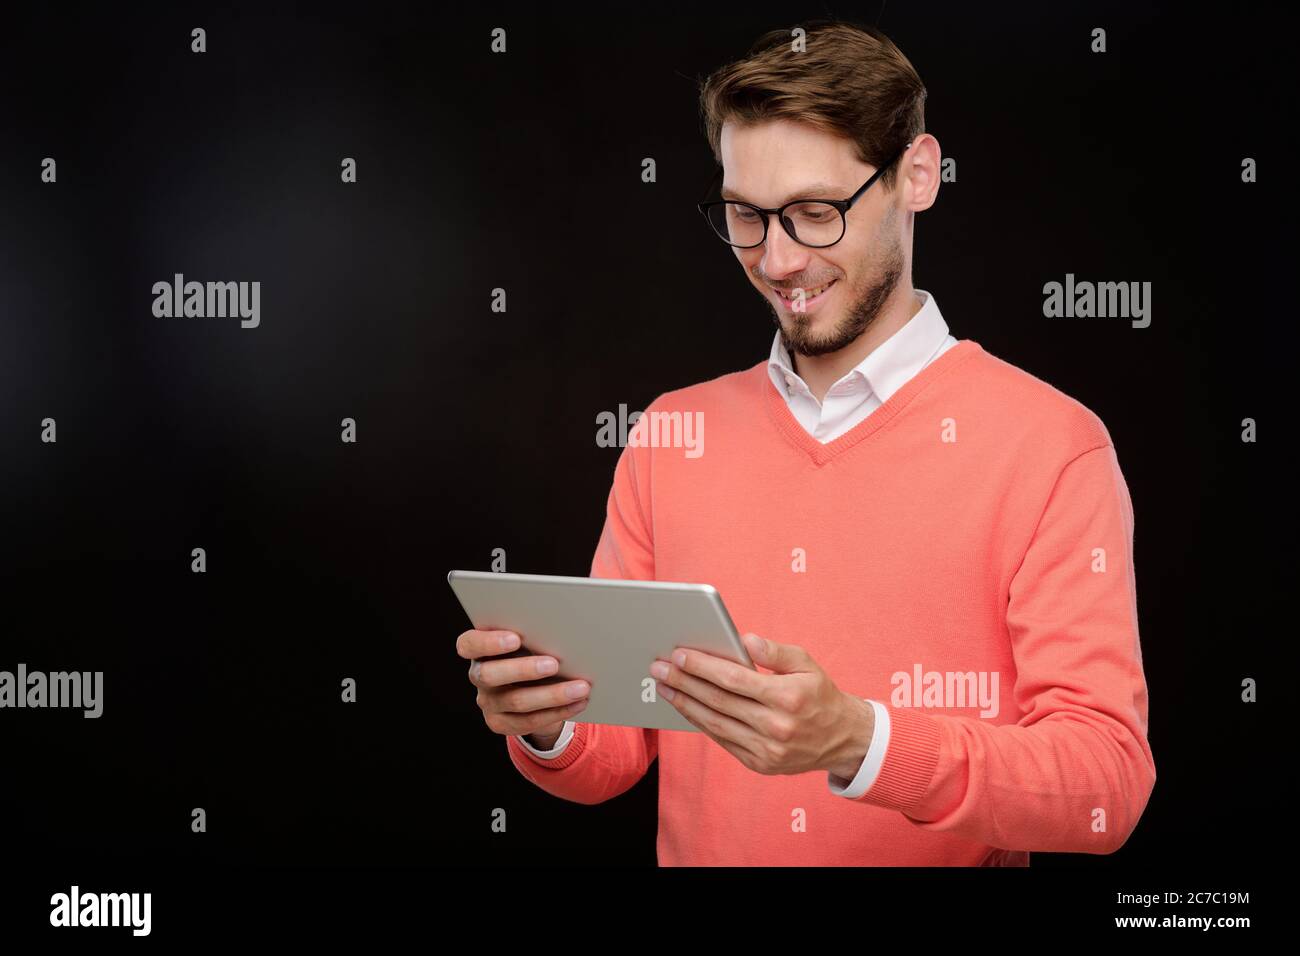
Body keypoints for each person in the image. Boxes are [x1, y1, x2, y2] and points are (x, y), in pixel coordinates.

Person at [456, 18, 1155, 865]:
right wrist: (549, 722)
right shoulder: (673, 434)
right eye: (746, 216)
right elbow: (613, 755)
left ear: (917, 176)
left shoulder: (1053, 447)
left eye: (816, 213)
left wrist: (860, 743)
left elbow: (1103, 787)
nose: (779, 260)